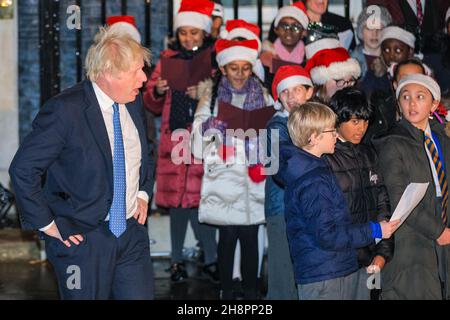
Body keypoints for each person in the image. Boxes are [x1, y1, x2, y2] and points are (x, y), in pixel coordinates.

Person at [9, 27, 155, 299]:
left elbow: (146, 151)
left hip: (132, 234)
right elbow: (23, 169)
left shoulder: (133, 103)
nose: (144, 78)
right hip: (83, 239)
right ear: (108, 73)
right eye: (136, 71)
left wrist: (143, 193)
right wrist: (48, 224)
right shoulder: (66, 110)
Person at [275, 102, 399, 300]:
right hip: (326, 275)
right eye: (331, 131)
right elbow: (328, 235)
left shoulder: (312, 169)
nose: (336, 135)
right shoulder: (313, 180)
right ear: (314, 138)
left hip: (332, 268)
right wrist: (375, 230)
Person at [143, 0, 219, 283]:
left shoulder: (214, 60)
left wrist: (205, 91)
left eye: (194, 33)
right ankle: (176, 261)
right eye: (184, 32)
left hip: (202, 138)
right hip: (174, 138)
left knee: (202, 200)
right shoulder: (166, 59)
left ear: (203, 34)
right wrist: (159, 90)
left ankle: (210, 258)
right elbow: (149, 101)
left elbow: (223, 97)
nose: (188, 38)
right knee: (176, 202)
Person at [192, 39, 273, 299]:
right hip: (224, 180)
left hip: (253, 178)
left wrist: (259, 140)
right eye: (233, 68)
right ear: (223, 69)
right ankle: (226, 291)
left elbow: (274, 132)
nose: (239, 74)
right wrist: (213, 126)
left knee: (250, 237)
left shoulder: (263, 94)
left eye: (245, 68)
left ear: (252, 69)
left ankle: (251, 292)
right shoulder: (211, 97)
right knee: (226, 238)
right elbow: (195, 144)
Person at [374, 73, 450, 299]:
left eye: (420, 97)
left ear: (433, 104)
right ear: (399, 104)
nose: (412, 103)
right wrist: (437, 231)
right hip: (412, 232)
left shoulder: (441, 139)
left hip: (442, 223)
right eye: (405, 97)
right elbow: (400, 197)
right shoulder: (392, 142)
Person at [325, 88, 394, 300]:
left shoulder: (369, 153)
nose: (362, 128)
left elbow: (383, 205)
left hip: (371, 259)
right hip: (338, 263)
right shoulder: (325, 157)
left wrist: (383, 253)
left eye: (365, 121)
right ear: (337, 120)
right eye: (355, 122)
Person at [264, 65, 313, 300]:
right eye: (285, 92)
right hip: (281, 209)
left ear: (309, 92)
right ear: (278, 98)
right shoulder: (276, 126)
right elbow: (279, 167)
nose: (292, 97)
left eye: (297, 89)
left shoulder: (318, 121)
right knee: (282, 276)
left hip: (310, 208)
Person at [260, 1, 309, 89]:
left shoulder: (310, 57)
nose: (288, 31)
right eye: (284, 26)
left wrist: (275, 64)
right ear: (276, 29)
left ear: (304, 32)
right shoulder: (265, 58)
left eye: (295, 27)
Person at [304, 37, 361, 103]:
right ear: (322, 83)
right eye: (339, 80)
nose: (346, 86)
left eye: (350, 80)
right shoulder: (311, 110)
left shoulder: (355, 104)